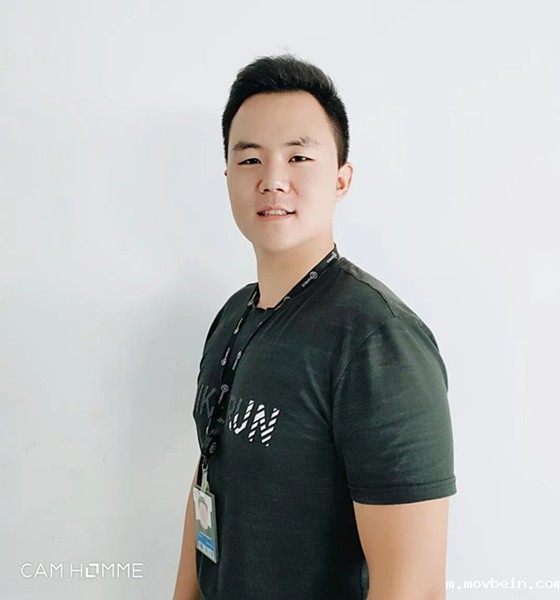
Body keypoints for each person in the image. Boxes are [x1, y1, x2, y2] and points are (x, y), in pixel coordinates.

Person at [173, 52, 457, 600]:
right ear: (228, 177)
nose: (273, 180)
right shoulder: (233, 316)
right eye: (250, 159)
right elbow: (210, 473)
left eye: (299, 157)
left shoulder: (377, 340)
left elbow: (413, 587)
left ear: (341, 179)